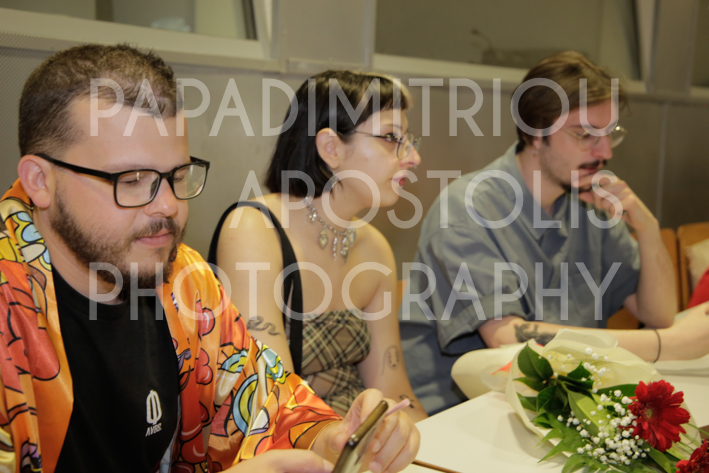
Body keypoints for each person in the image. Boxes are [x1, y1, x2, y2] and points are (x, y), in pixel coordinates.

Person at [0, 44, 419, 473]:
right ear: (40, 181)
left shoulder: (186, 280)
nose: (168, 205)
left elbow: (269, 402)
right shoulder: (8, 307)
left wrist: (331, 438)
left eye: (178, 176)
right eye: (133, 179)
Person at [399, 51, 709, 415]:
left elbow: (657, 315)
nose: (604, 151)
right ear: (534, 133)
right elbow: (507, 338)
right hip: (464, 411)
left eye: (609, 134)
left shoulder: (589, 202)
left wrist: (648, 227)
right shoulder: (467, 209)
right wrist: (665, 345)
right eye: (584, 135)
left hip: (561, 400)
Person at [209, 70, 428, 422]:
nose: (413, 157)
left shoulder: (375, 248)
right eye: (391, 137)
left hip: (359, 436)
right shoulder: (253, 229)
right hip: (289, 438)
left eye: (409, 140)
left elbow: (393, 389)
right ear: (331, 148)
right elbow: (272, 398)